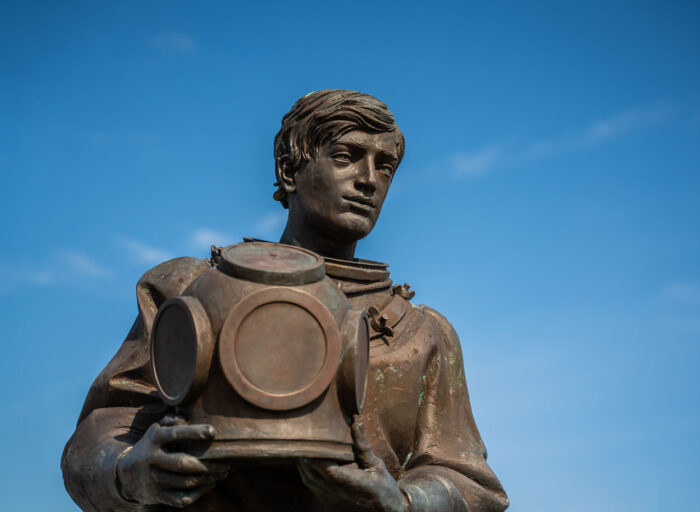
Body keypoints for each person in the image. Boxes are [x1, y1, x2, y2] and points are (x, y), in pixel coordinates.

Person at [62, 89, 509, 512]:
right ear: (289, 169)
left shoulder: (422, 333)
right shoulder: (189, 288)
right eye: (346, 156)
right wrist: (129, 472)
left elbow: (470, 481)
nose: (369, 180)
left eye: (386, 166)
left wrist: (404, 502)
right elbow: (102, 432)